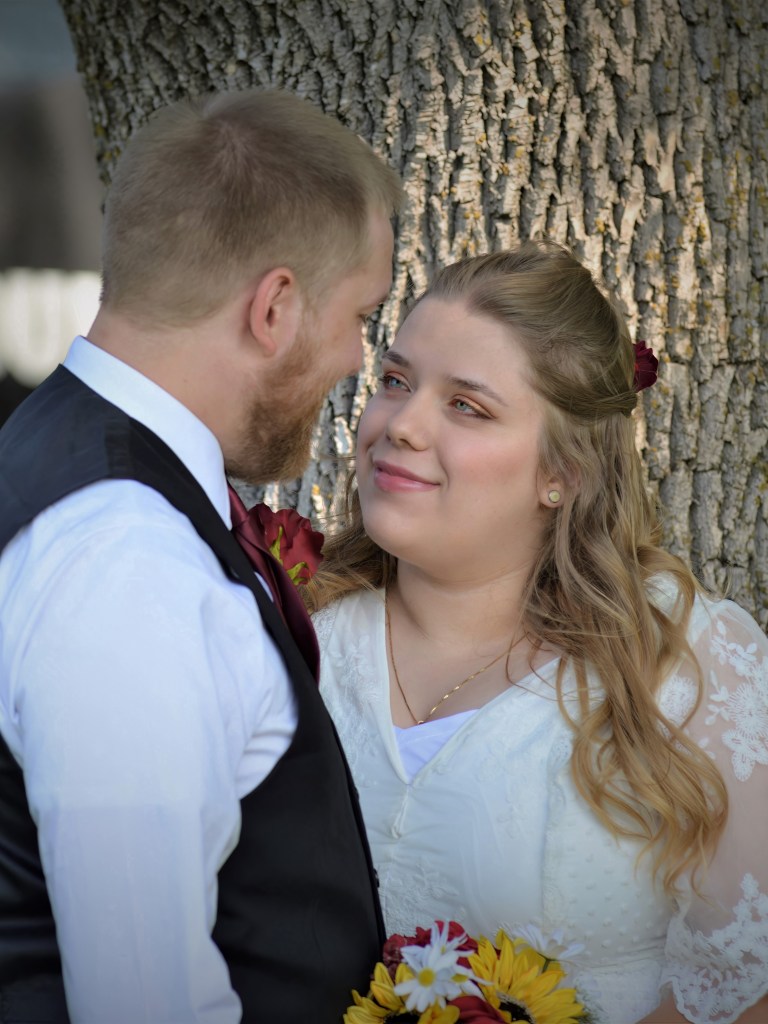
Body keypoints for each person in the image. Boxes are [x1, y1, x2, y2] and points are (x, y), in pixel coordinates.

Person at [0, 88, 401, 1022]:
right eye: (359, 317)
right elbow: (144, 997)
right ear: (274, 307)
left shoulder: (55, 453)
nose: (354, 359)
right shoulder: (128, 565)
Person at [307, 241, 768, 1024]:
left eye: (466, 406)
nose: (400, 425)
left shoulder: (685, 664)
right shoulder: (294, 638)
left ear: (565, 472)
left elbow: (748, 989)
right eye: (395, 381)